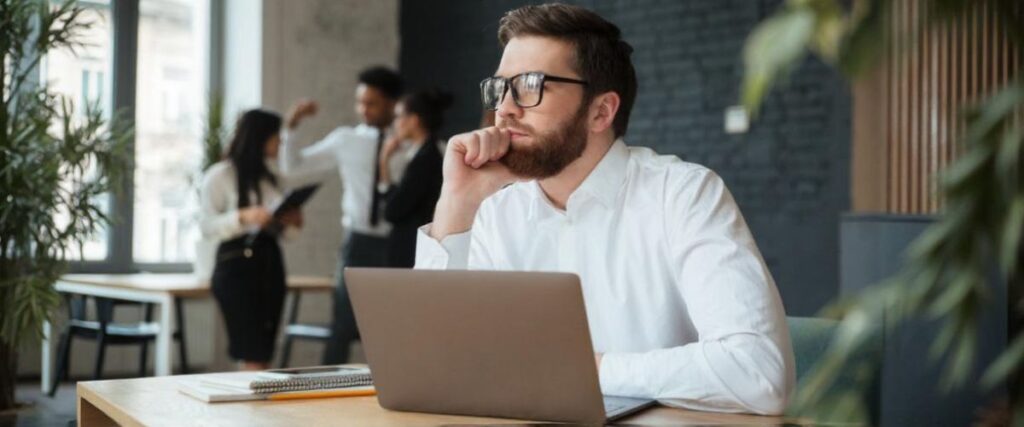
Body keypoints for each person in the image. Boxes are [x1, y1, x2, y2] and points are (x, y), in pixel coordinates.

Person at [414, 3, 795, 415]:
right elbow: (433, 366)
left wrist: (582, 370)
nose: (504, 107)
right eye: (500, 87)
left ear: (601, 111)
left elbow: (759, 373)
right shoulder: (494, 211)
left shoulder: (682, 195)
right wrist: (457, 201)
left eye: (529, 85)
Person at [281, 66, 415, 364]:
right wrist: (291, 127)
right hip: (358, 243)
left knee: (395, 328)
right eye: (360, 102)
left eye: (372, 103)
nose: (363, 110)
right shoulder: (345, 140)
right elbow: (293, 170)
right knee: (342, 324)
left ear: (393, 103)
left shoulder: (410, 145)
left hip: (399, 244)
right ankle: (327, 395)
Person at [199, 109, 303, 371]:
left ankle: (255, 407)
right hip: (236, 267)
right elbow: (207, 226)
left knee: (265, 350)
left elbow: (287, 235)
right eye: (275, 136)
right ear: (260, 137)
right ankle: (251, 409)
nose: (279, 142)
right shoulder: (220, 175)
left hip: (270, 265)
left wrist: (293, 222)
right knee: (252, 350)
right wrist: (243, 217)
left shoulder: (273, 178)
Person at [377, 90, 452, 267]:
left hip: (410, 248)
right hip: (412, 246)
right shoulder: (425, 154)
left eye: (398, 117)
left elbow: (393, 211)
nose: (395, 123)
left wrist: (384, 160)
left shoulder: (425, 159)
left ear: (413, 120)